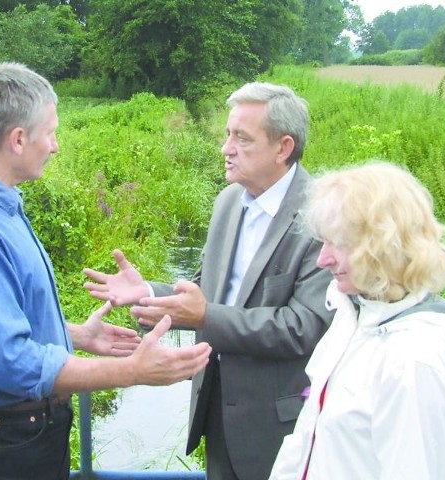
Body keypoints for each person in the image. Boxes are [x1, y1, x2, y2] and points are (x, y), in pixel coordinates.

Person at [0, 62, 212, 480]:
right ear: (17, 139)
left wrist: (72, 335)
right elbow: (12, 364)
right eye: (50, 133)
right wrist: (132, 371)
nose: (55, 146)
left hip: (18, 439)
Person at [83, 82, 333, 480]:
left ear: (283, 148)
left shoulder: (322, 214)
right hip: (216, 412)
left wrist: (205, 317)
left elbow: (302, 327)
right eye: (227, 134)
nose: (225, 148)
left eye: (242, 138)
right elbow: (203, 290)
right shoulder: (227, 201)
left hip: (282, 428)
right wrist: (146, 292)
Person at [268, 161, 445, 480]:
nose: (322, 259)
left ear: (384, 246)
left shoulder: (414, 360)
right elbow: (304, 445)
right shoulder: (351, 319)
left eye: (339, 243)